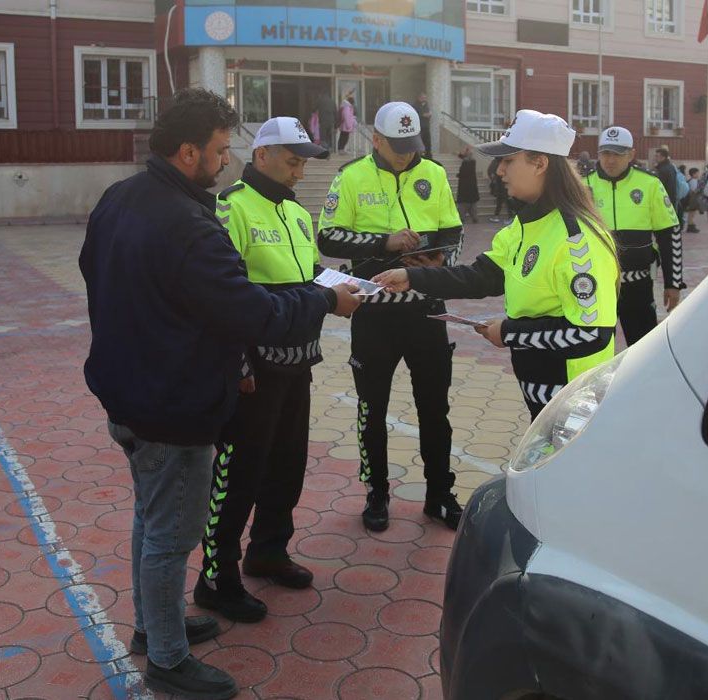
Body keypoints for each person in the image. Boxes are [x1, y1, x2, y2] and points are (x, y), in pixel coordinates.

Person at [80, 88, 361, 700]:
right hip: (172, 402)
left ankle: (154, 625)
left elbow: (91, 270)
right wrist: (324, 300)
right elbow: (252, 313)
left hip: (127, 387)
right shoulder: (193, 223)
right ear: (188, 152)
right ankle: (167, 660)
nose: (225, 159)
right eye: (219, 148)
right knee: (171, 536)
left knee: (150, 518)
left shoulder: (120, 197)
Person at [373, 110, 620, 417]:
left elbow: (591, 333)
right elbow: (483, 275)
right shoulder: (525, 224)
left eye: (508, 161)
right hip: (540, 391)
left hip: (573, 399)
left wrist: (509, 332)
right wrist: (412, 277)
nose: (499, 170)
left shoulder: (577, 241)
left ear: (540, 164)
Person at [194, 117, 331, 623]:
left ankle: (269, 549)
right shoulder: (230, 208)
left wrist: (348, 286)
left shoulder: (296, 212)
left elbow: (308, 275)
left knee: (287, 463)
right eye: (292, 162)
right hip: (253, 371)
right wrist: (238, 361)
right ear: (261, 156)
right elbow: (222, 295)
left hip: (298, 362)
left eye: (303, 163)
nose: (299, 172)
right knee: (239, 472)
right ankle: (216, 576)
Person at [317, 101, 464, 532]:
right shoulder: (351, 176)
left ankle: (439, 493)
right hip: (374, 312)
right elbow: (329, 237)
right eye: (398, 146)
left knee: (434, 408)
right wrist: (384, 243)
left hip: (426, 309)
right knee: (372, 409)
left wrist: (437, 260)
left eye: (412, 144)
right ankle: (376, 493)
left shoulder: (434, 173)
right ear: (376, 139)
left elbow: (453, 231)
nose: (406, 154)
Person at [583, 126, 682, 346]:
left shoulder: (650, 184)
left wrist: (673, 283)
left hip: (637, 286)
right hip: (596, 286)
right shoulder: (583, 185)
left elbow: (669, 234)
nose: (610, 160)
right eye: (605, 153)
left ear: (631, 154)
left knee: (643, 349)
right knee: (593, 350)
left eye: (618, 154)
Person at [456, 145, 480, 223]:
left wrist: (458, 175)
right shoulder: (473, 161)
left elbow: (463, 173)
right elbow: (462, 156)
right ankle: (474, 218)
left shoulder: (465, 163)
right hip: (472, 187)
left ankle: (462, 218)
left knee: (463, 205)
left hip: (464, 188)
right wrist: (464, 152)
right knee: (473, 205)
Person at [488, 156, 512, 223]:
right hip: (503, 185)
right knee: (504, 202)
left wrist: (493, 179)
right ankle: (507, 217)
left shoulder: (495, 163)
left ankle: (498, 216)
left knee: (502, 202)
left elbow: (490, 171)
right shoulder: (504, 163)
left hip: (501, 186)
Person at [414, 92, 433, 159]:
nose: (424, 99)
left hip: (426, 127)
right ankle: (419, 156)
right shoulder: (415, 105)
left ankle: (429, 156)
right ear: (419, 98)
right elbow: (416, 115)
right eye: (423, 98)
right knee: (419, 142)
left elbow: (429, 113)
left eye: (425, 98)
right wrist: (423, 115)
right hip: (419, 127)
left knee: (427, 142)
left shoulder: (426, 105)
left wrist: (429, 114)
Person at [685, 167, 702, 233]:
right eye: (697, 173)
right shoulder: (693, 181)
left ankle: (691, 225)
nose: (698, 174)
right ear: (693, 174)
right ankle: (690, 226)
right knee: (691, 214)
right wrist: (700, 188)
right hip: (693, 200)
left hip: (692, 199)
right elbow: (694, 191)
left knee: (692, 213)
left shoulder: (691, 180)